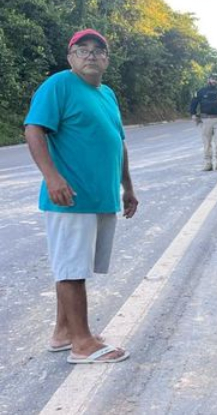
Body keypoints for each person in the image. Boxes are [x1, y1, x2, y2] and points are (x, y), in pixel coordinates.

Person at [24, 29, 138, 364]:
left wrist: (128, 187)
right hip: (69, 197)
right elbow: (34, 129)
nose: (90, 54)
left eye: (98, 50)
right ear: (70, 56)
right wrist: (52, 176)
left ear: (107, 59)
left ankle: (64, 333)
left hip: (100, 197)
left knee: (76, 266)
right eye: (82, 49)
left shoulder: (107, 94)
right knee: (71, 269)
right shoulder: (59, 85)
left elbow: (118, 142)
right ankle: (82, 344)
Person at [189, 72, 217, 171]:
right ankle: (208, 163)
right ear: (208, 80)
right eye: (212, 79)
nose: (214, 81)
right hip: (205, 119)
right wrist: (193, 114)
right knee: (207, 142)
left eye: (216, 79)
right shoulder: (201, 91)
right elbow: (193, 103)